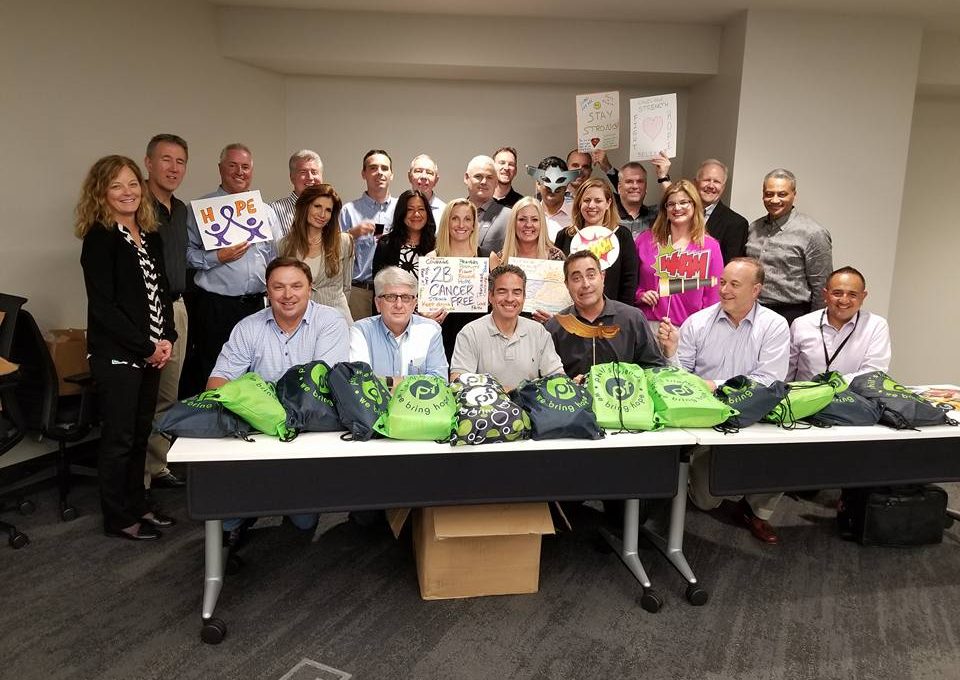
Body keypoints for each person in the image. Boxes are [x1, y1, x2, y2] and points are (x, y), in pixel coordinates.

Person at [207, 257, 350, 538]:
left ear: (311, 289)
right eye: (279, 287)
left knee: (303, 524)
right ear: (267, 291)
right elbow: (217, 381)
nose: (288, 295)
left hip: (310, 429)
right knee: (226, 526)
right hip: (259, 427)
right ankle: (237, 522)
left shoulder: (330, 321)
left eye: (297, 286)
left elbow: (321, 386)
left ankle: (290, 501)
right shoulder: (248, 327)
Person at [76, 155, 177, 541]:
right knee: (119, 439)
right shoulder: (99, 239)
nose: (127, 192)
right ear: (101, 192)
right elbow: (105, 308)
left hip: (152, 352)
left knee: (139, 434)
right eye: (117, 185)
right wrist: (146, 346)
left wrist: (166, 338)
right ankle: (119, 518)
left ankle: (140, 504)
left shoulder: (149, 235)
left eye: (133, 183)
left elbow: (161, 292)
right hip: (118, 355)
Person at [659, 257, 790, 544]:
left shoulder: (775, 325)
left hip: (757, 414)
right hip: (708, 420)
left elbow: (769, 379)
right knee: (707, 500)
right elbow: (677, 382)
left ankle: (757, 511)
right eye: (722, 283)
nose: (725, 290)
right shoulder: (697, 322)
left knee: (785, 454)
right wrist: (670, 352)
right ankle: (706, 484)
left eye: (734, 284)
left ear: (756, 290)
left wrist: (713, 385)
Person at [185, 143, 278, 394]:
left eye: (245, 167)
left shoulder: (265, 212)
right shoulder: (200, 210)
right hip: (215, 306)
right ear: (220, 169)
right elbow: (186, 255)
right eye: (233, 165)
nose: (240, 172)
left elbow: (275, 257)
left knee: (254, 370)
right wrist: (217, 257)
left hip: (256, 306)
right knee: (214, 370)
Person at [143, 134, 189, 490]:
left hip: (177, 306)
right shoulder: (135, 203)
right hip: (144, 311)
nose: (173, 168)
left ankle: (157, 465)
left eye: (180, 162)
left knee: (167, 394)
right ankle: (136, 479)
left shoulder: (182, 210)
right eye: (166, 159)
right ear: (148, 163)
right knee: (141, 395)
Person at [545, 250, 668, 381]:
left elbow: (653, 369)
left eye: (591, 275)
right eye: (576, 278)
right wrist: (569, 385)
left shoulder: (632, 318)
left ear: (602, 277)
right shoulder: (556, 326)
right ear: (567, 284)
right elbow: (547, 379)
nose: (586, 284)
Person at [450, 264, 564, 390]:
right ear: (490, 296)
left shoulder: (539, 332)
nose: (510, 299)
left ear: (524, 297)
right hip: (485, 408)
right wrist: (504, 392)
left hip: (531, 408)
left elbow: (557, 377)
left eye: (517, 292)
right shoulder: (470, 333)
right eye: (502, 291)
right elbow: (458, 382)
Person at [746, 168, 833, 325]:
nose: (774, 200)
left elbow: (822, 287)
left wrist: (811, 326)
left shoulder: (813, 233)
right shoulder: (754, 228)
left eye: (782, 194)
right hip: (753, 311)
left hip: (792, 315)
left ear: (794, 195)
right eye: (769, 194)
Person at [635, 179, 723, 329]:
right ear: (665, 210)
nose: (677, 208)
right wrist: (639, 295)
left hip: (690, 329)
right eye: (671, 204)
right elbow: (629, 281)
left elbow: (714, 296)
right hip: (648, 325)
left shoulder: (710, 246)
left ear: (694, 205)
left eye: (684, 202)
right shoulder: (645, 240)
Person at [349, 267, 448, 386]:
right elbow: (359, 382)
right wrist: (415, 382)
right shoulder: (360, 331)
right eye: (390, 297)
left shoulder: (431, 330)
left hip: (418, 404)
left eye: (406, 297)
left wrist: (389, 382)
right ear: (377, 303)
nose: (399, 305)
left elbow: (440, 382)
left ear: (414, 304)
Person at [789, 266, 891, 381]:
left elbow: (873, 373)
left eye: (852, 294)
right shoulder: (801, 324)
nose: (844, 300)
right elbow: (787, 372)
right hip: (804, 397)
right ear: (825, 294)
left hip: (854, 397)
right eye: (837, 293)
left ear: (863, 297)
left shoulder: (876, 326)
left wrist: (832, 386)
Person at [553, 178, 639, 306]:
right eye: (586, 200)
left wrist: (621, 315)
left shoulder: (622, 236)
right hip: (571, 314)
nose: (591, 205)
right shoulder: (564, 236)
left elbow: (629, 282)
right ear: (579, 203)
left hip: (612, 317)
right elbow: (557, 279)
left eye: (598, 200)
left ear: (608, 203)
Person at [279, 183, 354, 323]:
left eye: (328, 210)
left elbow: (346, 287)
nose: (322, 214)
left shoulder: (344, 242)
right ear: (305, 207)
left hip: (336, 317)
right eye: (317, 206)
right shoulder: (284, 245)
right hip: (300, 319)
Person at [340, 149, 398, 321]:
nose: (379, 172)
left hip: (394, 292)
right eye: (373, 168)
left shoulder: (402, 209)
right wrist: (352, 234)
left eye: (384, 168)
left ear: (391, 174)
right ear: (363, 174)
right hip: (360, 293)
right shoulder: (348, 211)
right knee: (359, 343)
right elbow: (333, 251)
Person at [424, 198, 486, 360]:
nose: (461, 225)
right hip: (443, 336)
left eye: (467, 219)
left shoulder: (488, 258)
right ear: (447, 222)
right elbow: (423, 306)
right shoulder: (432, 258)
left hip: (480, 339)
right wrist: (426, 316)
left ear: (473, 224)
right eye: (455, 218)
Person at [489, 197, 564, 323]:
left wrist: (554, 320)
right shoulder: (501, 259)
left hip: (546, 331)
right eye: (522, 219)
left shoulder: (556, 257)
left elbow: (565, 302)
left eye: (534, 219)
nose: (528, 225)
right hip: (508, 330)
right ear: (513, 222)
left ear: (542, 223)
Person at [371, 189, 436, 280]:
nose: (416, 214)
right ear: (401, 213)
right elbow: (378, 284)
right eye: (410, 209)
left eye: (421, 209)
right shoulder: (386, 244)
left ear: (427, 213)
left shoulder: (437, 245)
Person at [695, 159, 748, 266]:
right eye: (706, 180)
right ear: (695, 182)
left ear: (723, 187)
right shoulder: (681, 214)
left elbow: (730, 267)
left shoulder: (736, 224)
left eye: (717, 182)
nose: (711, 185)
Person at [269, 150, 324, 239]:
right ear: (292, 177)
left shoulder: (332, 211)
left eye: (314, 172)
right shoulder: (272, 211)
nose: (310, 177)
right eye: (303, 172)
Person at [464, 155, 511, 254]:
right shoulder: (451, 213)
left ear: (496, 182)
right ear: (466, 178)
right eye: (478, 176)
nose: (484, 182)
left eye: (489, 177)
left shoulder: (510, 216)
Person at [535, 156, 574, 241]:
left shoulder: (577, 215)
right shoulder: (527, 215)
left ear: (567, 184)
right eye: (547, 180)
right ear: (538, 184)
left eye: (559, 181)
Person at [615, 162, 658, 238]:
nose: (635, 186)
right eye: (629, 181)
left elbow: (678, 202)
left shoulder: (657, 215)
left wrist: (663, 177)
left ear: (646, 188)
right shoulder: (608, 216)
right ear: (619, 188)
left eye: (640, 181)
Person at [408, 154, 445, 225]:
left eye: (429, 173)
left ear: (436, 180)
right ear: (409, 176)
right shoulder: (397, 207)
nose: (424, 176)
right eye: (418, 171)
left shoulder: (445, 211)